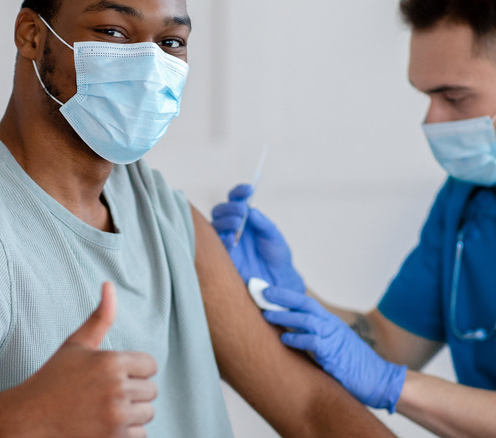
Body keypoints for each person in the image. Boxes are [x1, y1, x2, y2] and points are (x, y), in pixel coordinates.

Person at [0, 1, 396, 437]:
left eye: (171, 42)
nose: (148, 64)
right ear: (31, 35)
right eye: (114, 32)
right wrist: (21, 419)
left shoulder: (159, 209)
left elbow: (309, 408)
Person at [212, 1, 496, 437]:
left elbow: (384, 371)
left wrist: (391, 386)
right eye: (427, 97)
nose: (431, 120)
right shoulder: (465, 198)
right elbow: (388, 342)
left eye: (454, 97)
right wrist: (287, 290)